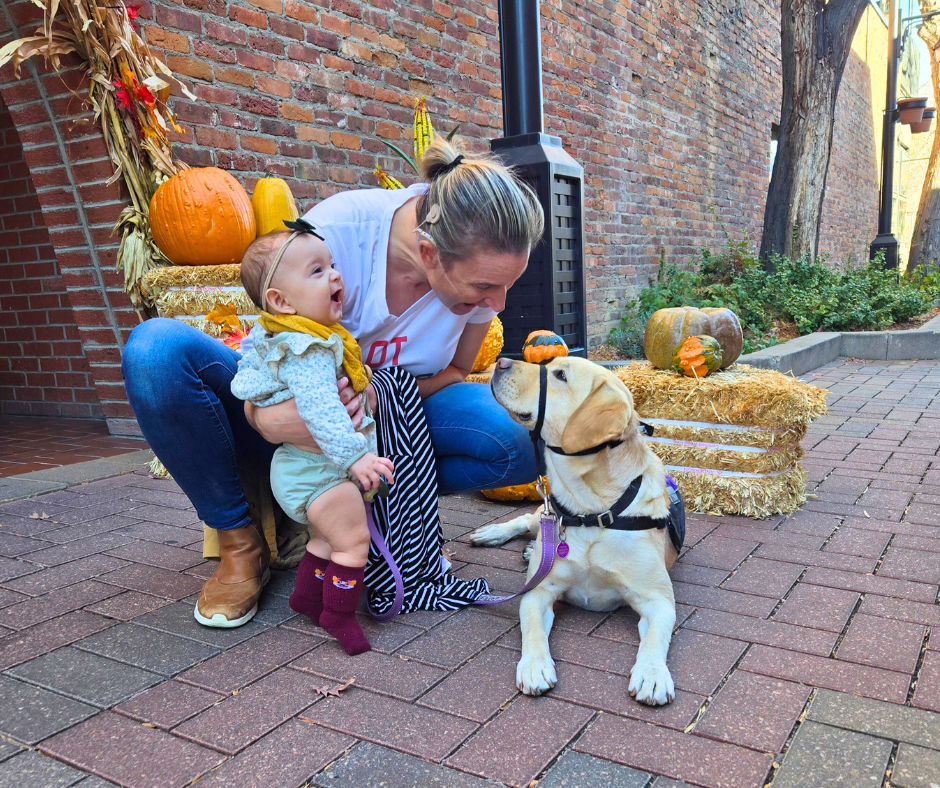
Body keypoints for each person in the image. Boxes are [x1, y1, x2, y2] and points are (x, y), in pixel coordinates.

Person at [122, 137, 544, 628]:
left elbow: (453, 373)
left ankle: (367, 515)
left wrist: (373, 397)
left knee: (523, 438)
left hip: (381, 425)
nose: (498, 304)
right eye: (484, 287)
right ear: (428, 252)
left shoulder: (485, 286)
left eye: (507, 284)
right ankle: (240, 541)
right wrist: (270, 418)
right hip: (289, 417)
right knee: (155, 351)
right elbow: (267, 347)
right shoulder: (339, 231)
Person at [230, 222, 395, 654]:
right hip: (318, 469)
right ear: (281, 301)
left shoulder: (307, 338)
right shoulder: (307, 350)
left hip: (308, 468)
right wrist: (358, 458)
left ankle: (305, 598)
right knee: (354, 542)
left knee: (325, 539)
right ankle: (337, 616)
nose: (335, 276)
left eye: (333, 265)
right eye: (317, 271)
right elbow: (321, 412)